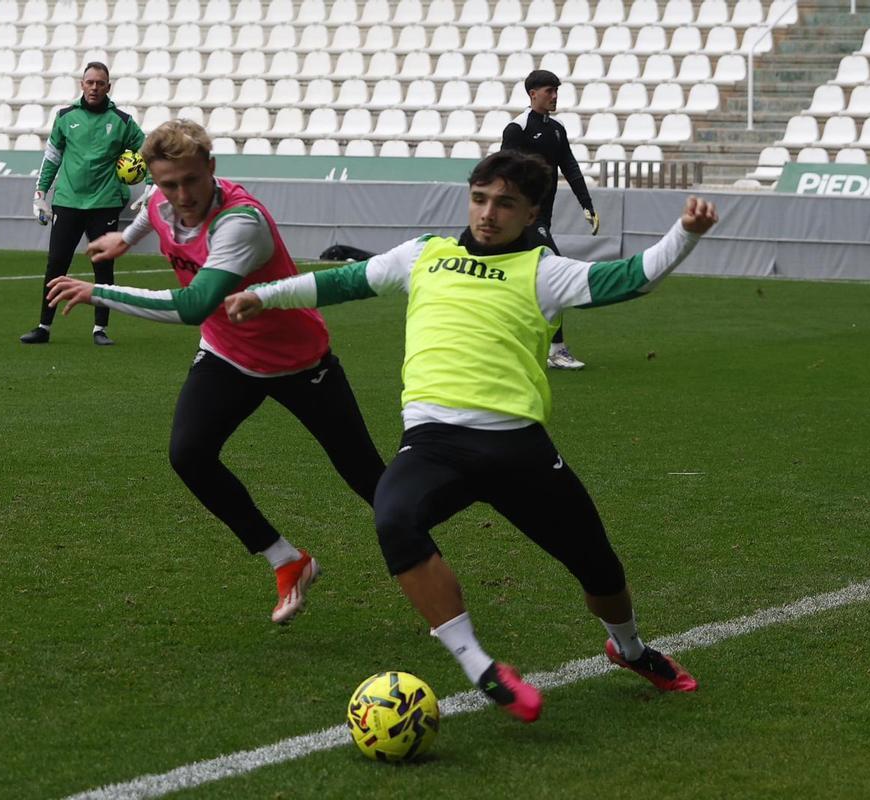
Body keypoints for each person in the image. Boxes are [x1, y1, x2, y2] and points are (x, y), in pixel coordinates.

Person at [225, 151, 718, 721]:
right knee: (394, 516)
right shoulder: (424, 255)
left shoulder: (543, 270)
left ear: (531, 212)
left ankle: (628, 649)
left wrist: (685, 233)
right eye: (480, 199)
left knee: (599, 569)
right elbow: (345, 281)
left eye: (505, 204)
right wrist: (265, 296)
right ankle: (480, 666)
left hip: (519, 449)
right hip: (434, 443)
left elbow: (631, 277)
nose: (488, 213)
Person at [44, 120, 385, 624]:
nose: (181, 195)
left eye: (191, 180)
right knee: (189, 454)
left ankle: (428, 572)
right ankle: (287, 561)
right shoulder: (162, 201)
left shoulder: (240, 223)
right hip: (228, 355)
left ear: (211, 167)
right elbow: (152, 212)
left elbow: (193, 304)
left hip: (297, 360)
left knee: (368, 479)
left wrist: (101, 291)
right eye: (169, 184)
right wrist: (124, 239)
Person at [20, 62, 145, 346]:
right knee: (56, 263)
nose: (94, 87)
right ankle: (43, 327)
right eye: (90, 82)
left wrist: (150, 184)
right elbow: (52, 157)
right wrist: (40, 193)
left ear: (108, 87)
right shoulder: (65, 117)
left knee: (103, 266)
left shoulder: (122, 121)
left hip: (105, 203)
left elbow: (147, 150)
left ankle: (100, 329)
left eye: (100, 83)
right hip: (67, 202)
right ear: (82, 84)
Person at [501, 69, 599, 371]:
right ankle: (556, 350)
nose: (555, 96)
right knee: (554, 272)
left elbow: (570, 167)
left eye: (557, 90)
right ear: (533, 94)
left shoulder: (557, 129)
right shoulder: (517, 129)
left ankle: (512, 342)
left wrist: (587, 205)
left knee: (524, 282)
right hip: (523, 219)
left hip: (543, 217)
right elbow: (503, 173)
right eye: (549, 91)